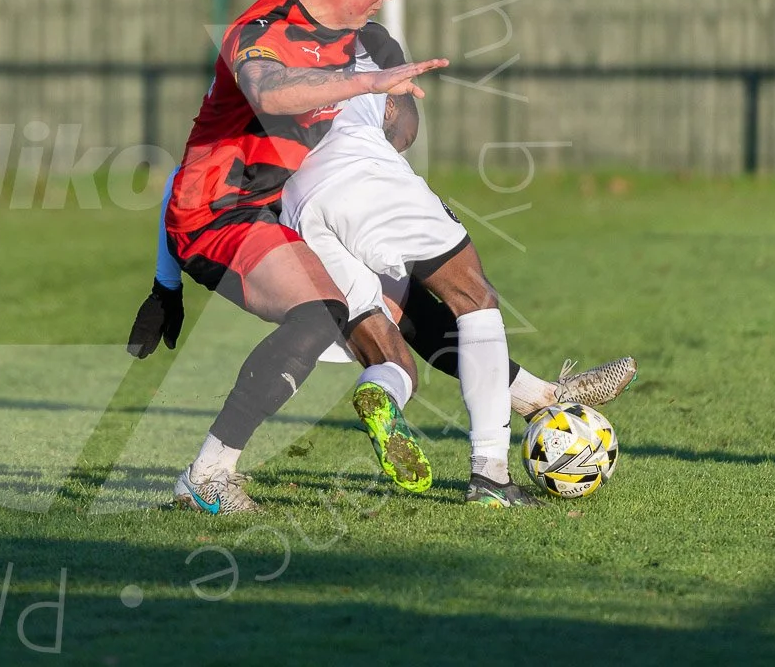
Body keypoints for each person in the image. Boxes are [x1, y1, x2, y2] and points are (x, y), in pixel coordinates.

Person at [130, 28, 636, 511]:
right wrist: (396, 112)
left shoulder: (260, 65)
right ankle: (491, 476)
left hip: (299, 211)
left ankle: (520, 395)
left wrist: (165, 284)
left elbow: (186, 178)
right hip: (361, 176)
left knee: (398, 332)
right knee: (471, 296)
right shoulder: (369, 46)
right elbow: (403, 126)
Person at [161, 0, 448, 514]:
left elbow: (400, 127)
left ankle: (535, 402)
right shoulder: (261, 31)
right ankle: (207, 474)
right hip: (222, 213)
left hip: (293, 206)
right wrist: (367, 84)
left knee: (417, 282)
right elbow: (273, 91)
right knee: (321, 313)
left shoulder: (360, 40)